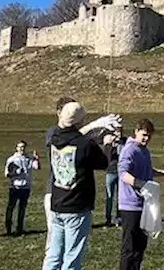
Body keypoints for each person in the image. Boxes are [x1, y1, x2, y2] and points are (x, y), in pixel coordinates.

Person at [43, 101, 110, 270]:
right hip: (77, 205)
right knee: (72, 257)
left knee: (53, 254)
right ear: (80, 120)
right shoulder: (86, 144)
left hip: (57, 203)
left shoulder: (53, 138)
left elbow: (72, 136)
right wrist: (107, 144)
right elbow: (103, 163)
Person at [118, 118, 164, 270]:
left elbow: (147, 172)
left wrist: (161, 173)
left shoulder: (144, 151)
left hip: (145, 204)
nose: (146, 139)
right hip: (130, 205)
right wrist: (142, 184)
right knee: (129, 248)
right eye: (144, 135)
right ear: (136, 132)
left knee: (140, 247)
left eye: (149, 136)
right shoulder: (129, 150)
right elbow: (123, 174)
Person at [5, 140, 40, 236]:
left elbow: (36, 167)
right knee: (11, 207)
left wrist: (36, 159)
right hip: (15, 187)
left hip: (25, 188)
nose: (22, 149)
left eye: (23, 147)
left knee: (22, 209)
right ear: (16, 148)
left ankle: (19, 229)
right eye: (20, 147)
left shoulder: (28, 159)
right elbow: (7, 174)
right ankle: (8, 228)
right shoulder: (12, 159)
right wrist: (16, 172)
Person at [103, 121, 127, 227]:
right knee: (109, 196)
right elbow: (106, 158)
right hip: (110, 172)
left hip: (121, 172)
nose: (119, 134)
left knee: (120, 196)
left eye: (120, 131)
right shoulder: (109, 143)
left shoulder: (124, 142)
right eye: (117, 131)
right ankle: (108, 218)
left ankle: (119, 218)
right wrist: (111, 146)